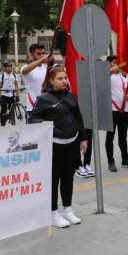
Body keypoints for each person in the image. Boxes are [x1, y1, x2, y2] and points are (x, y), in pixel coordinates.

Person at [29, 66, 87, 228]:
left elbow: (78, 117)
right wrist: (48, 126)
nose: (64, 81)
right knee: (54, 179)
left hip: (72, 142)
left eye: (65, 78)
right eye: (60, 79)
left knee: (68, 177)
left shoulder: (71, 96)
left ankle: (67, 209)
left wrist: (83, 138)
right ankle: (53, 213)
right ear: (51, 81)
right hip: (54, 144)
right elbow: (33, 119)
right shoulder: (44, 98)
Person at [105, 55, 128, 171]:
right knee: (110, 138)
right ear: (109, 64)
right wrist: (118, 67)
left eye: (117, 63)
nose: (117, 65)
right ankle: (111, 162)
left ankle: (125, 159)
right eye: (114, 63)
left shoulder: (123, 78)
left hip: (124, 110)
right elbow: (108, 73)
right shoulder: (106, 75)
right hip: (113, 110)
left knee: (123, 137)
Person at [21, 44, 49, 115]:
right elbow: (24, 71)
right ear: (31, 55)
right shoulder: (27, 67)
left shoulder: (46, 68)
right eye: (39, 54)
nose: (42, 55)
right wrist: (42, 59)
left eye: (43, 53)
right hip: (33, 106)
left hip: (47, 105)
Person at [0, 60, 20, 127]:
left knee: (12, 110)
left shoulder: (14, 75)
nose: (9, 68)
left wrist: (17, 95)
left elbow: (16, 86)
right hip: (4, 95)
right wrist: (0, 96)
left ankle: (13, 123)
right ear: (5, 67)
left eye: (10, 66)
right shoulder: (2, 76)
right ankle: (3, 125)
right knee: (3, 111)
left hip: (11, 95)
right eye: (8, 67)